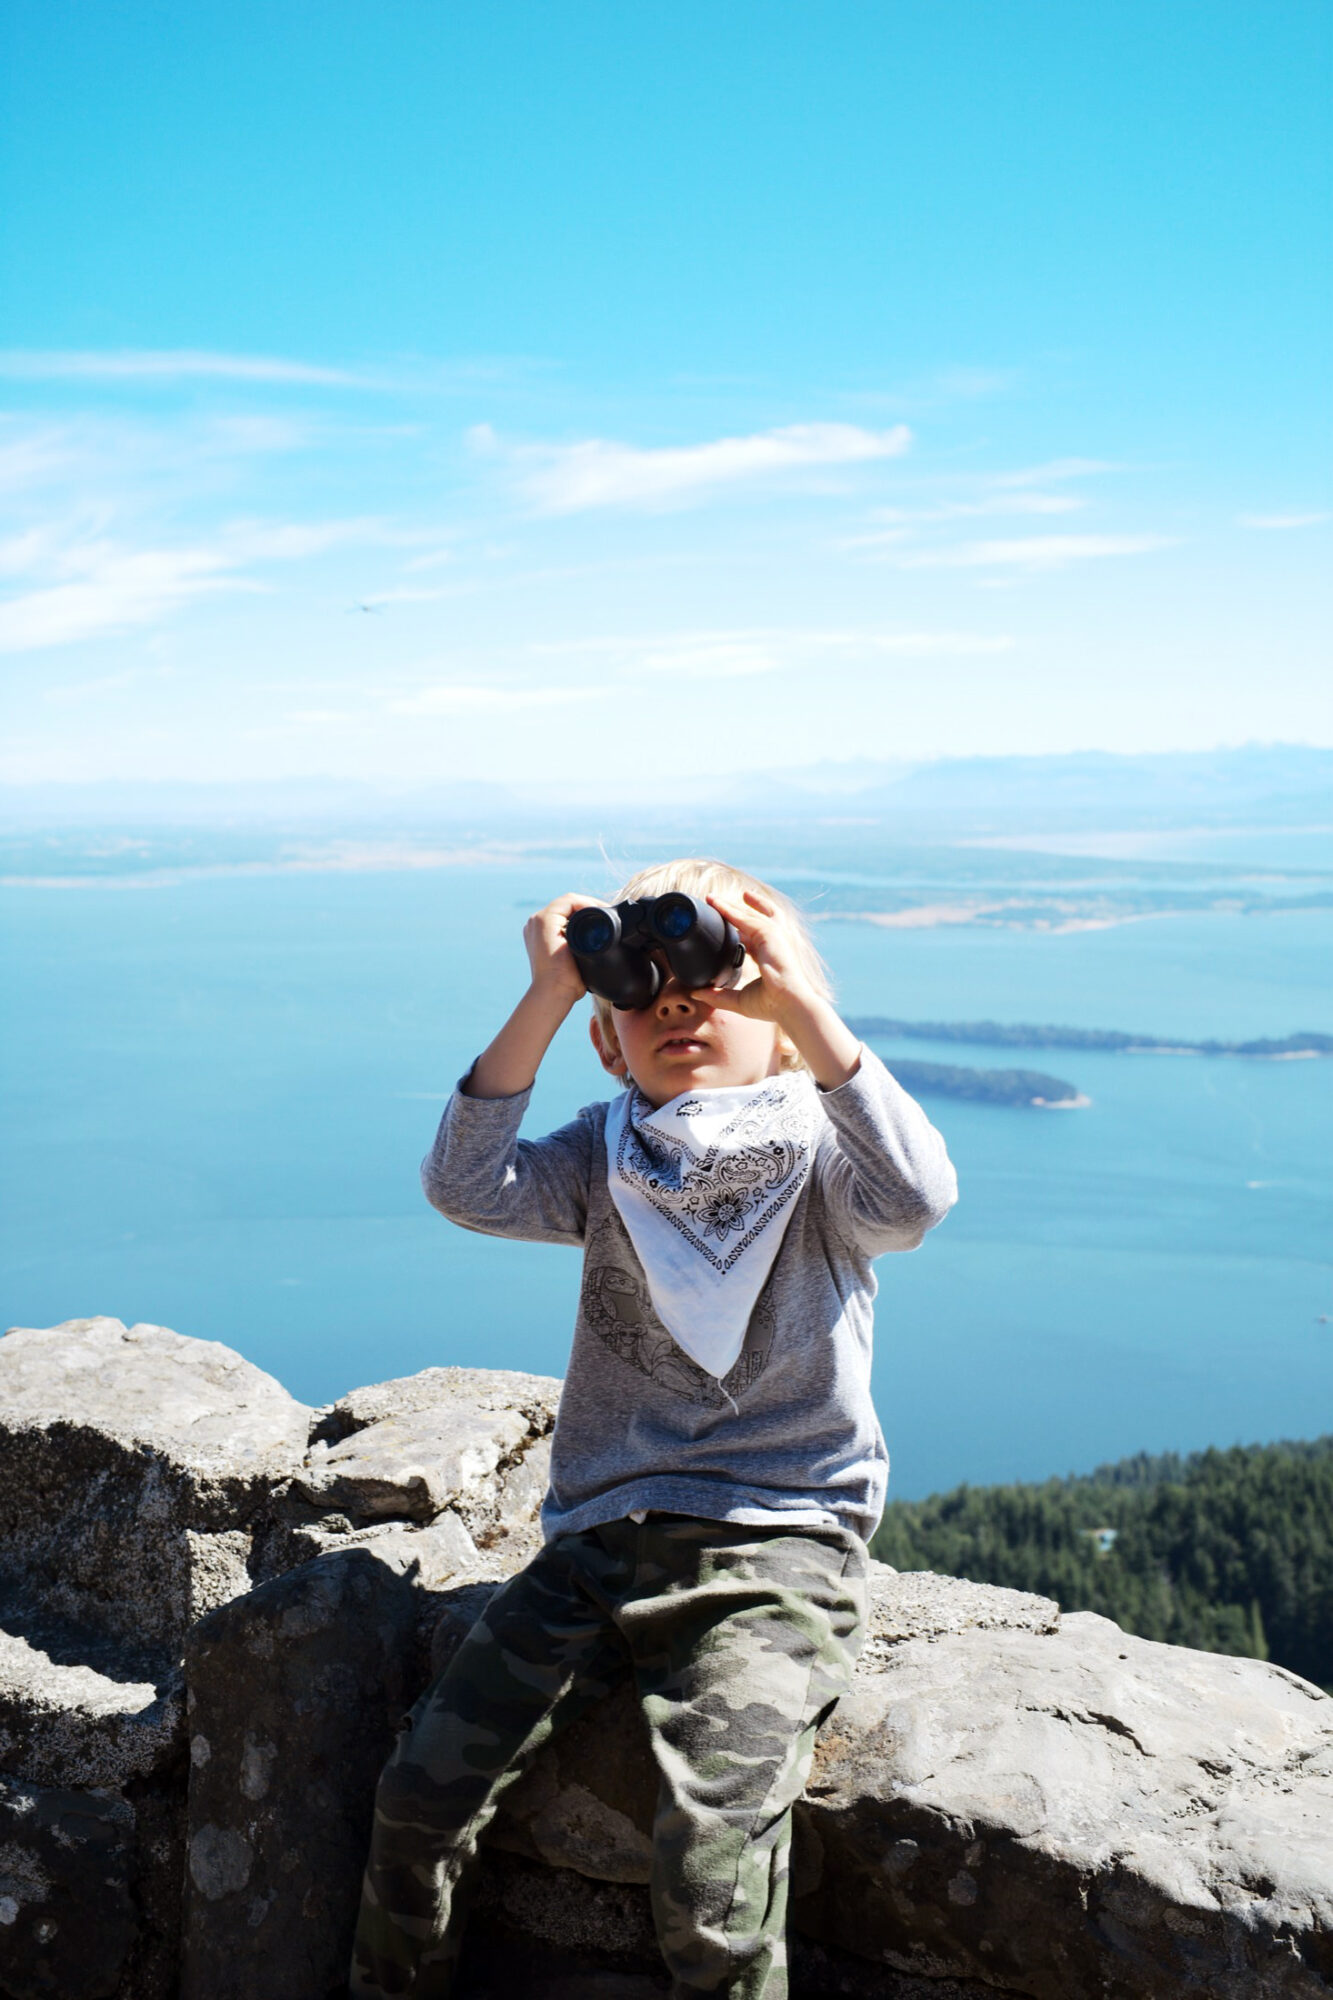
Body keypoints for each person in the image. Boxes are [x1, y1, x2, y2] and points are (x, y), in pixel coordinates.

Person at [349, 857, 957, 1999]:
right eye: (641, 986)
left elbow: (918, 1196)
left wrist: (802, 1008)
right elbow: (463, 1182)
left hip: (777, 1545)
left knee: (713, 1858)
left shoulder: (827, 1159)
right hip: (595, 1540)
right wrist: (551, 988)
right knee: (417, 1796)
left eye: (712, 978)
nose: (676, 1001)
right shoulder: (602, 1151)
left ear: (773, 1023)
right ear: (607, 1038)